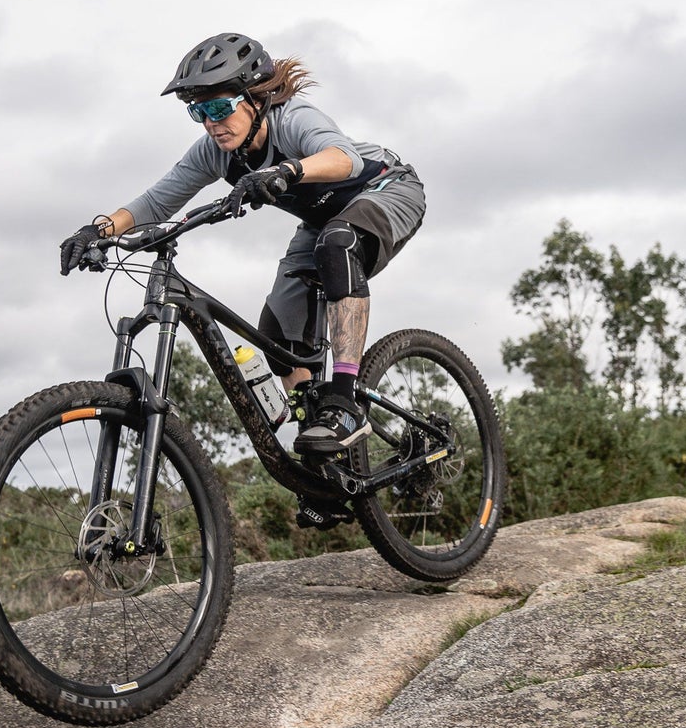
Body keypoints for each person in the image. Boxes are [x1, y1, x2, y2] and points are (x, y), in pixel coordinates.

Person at [59, 32, 426, 458]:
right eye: (198, 112)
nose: (211, 123)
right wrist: (98, 230)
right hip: (323, 221)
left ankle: (344, 405)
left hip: (388, 190)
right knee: (277, 336)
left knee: (338, 244)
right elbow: (157, 202)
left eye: (219, 108)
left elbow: (345, 159)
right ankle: (318, 436)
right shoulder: (215, 152)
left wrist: (285, 170)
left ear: (255, 98)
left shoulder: (293, 119)